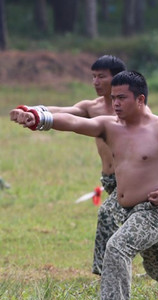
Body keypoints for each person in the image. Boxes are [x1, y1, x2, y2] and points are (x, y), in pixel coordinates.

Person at [11, 71, 158, 300]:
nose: (115, 104)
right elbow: (72, 121)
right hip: (126, 210)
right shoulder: (109, 126)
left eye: (122, 98)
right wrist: (37, 118)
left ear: (140, 99)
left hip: (155, 211)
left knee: (117, 248)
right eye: (113, 98)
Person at [29, 54, 128, 275]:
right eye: (93, 76)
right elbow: (65, 112)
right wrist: (34, 111)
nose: (95, 82)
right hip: (109, 180)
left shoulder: (129, 108)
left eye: (101, 76)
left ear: (117, 78)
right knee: (144, 232)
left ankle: (104, 270)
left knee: (108, 215)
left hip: (130, 179)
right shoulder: (91, 107)